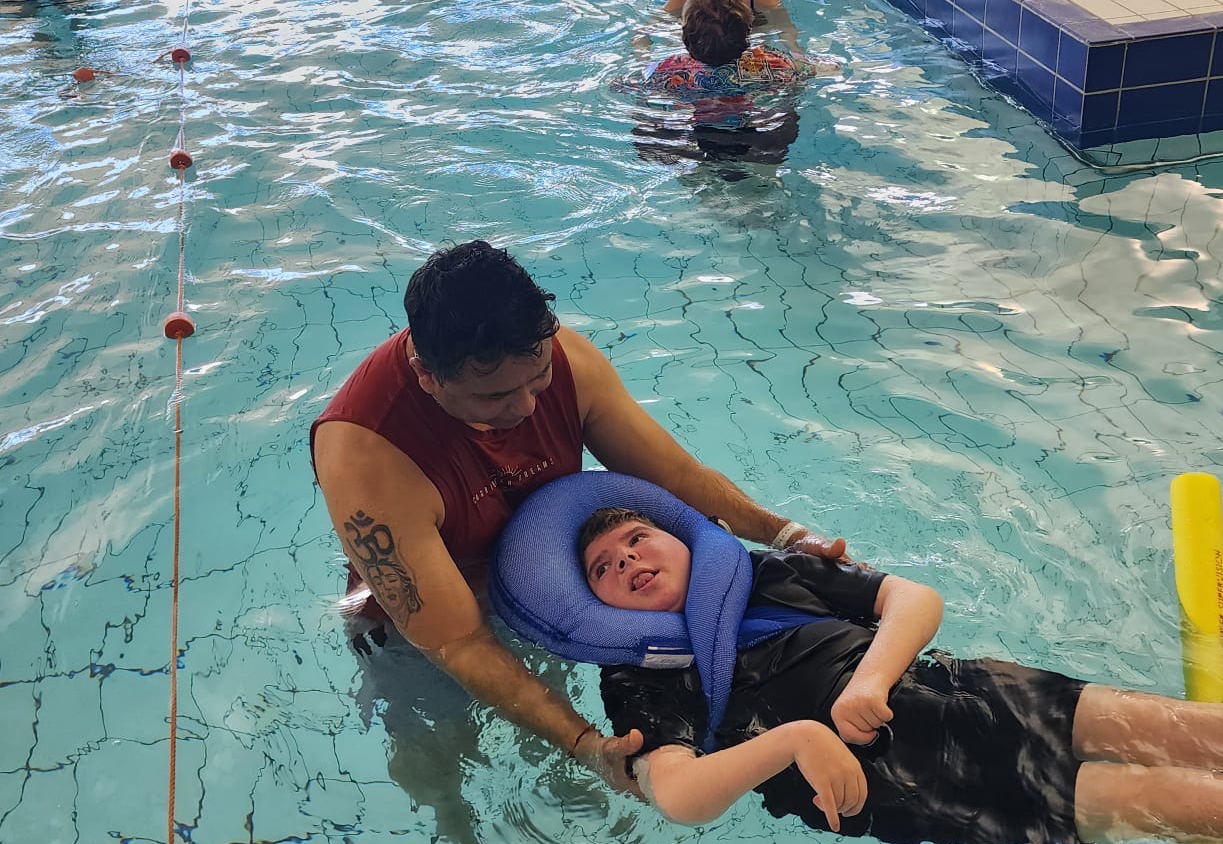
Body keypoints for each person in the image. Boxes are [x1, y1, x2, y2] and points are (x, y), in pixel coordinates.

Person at [578, 503, 1223, 844]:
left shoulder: (766, 572)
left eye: (637, 540)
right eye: (605, 570)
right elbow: (680, 795)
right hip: (919, 782)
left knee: (1197, 731)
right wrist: (797, 740)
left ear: (676, 537)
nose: (629, 563)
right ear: (592, 606)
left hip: (965, 689)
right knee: (1165, 795)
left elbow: (912, 598)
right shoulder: (644, 679)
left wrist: (874, 679)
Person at [310, 242, 847, 789]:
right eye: (495, 398)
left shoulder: (561, 357)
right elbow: (459, 642)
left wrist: (788, 535)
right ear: (427, 375)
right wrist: (585, 746)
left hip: (549, 586)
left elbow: (677, 476)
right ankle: (455, 833)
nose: (526, 408)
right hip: (421, 623)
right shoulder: (367, 458)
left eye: (538, 377)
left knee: (553, 722)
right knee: (442, 750)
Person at [641, 0, 815, 101]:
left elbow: (632, 85)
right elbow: (816, 69)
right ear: (746, 30)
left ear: (686, 39)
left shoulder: (667, 70)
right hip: (758, 133)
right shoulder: (774, 63)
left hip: (699, 132)